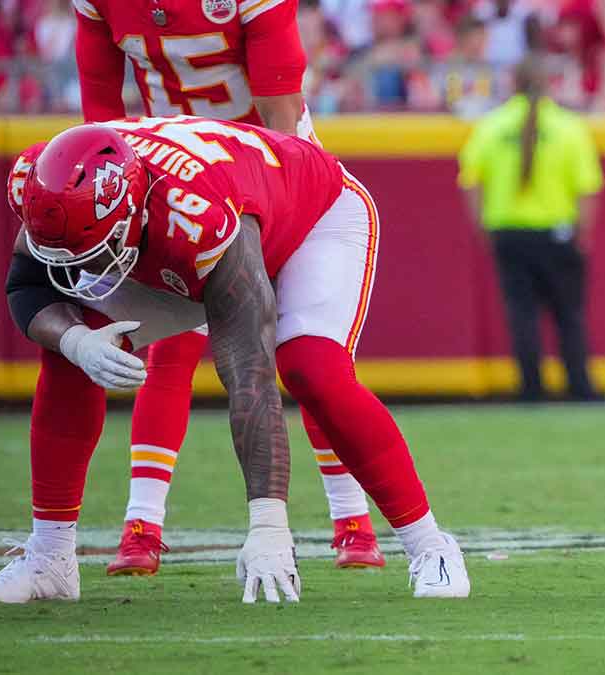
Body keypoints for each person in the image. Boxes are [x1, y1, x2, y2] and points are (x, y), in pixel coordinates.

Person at [0, 116, 470, 604]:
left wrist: (268, 524)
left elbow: (249, 370)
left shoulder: (195, 214)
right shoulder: (41, 182)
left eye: (95, 250)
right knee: (69, 349)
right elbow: (27, 283)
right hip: (184, 232)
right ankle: (50, 558)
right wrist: (76, 339)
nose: (85, 268)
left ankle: (431, 545)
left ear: (130, 212)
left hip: (312, 216)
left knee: (310, 367)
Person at [72, 0, 385, 574]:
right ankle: (142, 524)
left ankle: (351, 518)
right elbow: (99, 112)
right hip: (165, 165)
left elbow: (281, 113)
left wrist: (266, 204)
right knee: (172, 348)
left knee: (309, 352)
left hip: (267, 164)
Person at [458, 55, 603, 402]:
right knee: (569, 315)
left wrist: (484, 228)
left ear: (514, 83)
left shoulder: (491, 126)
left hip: (508, 233)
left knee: (522, 315)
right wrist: (583, 234)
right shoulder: (569, 127)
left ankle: (531, 390)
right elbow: (587, 188)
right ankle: (580, 388)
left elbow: (471, 182)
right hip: (557, 232)